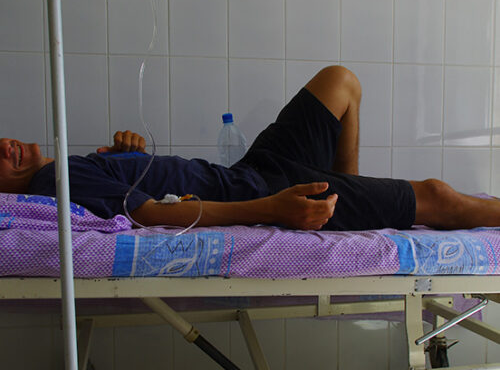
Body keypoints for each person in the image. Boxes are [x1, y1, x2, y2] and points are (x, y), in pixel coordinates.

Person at [1, 66, 500, 231]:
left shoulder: (68, 170)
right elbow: (151, 214)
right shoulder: (54, 182)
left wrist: (125, 156)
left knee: (340, 82)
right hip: (263, 190)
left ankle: (348, 192)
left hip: (254, 169)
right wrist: (273, 210)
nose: (5, 144)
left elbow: (137, 192)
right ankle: (350, 198)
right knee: (438, 197)